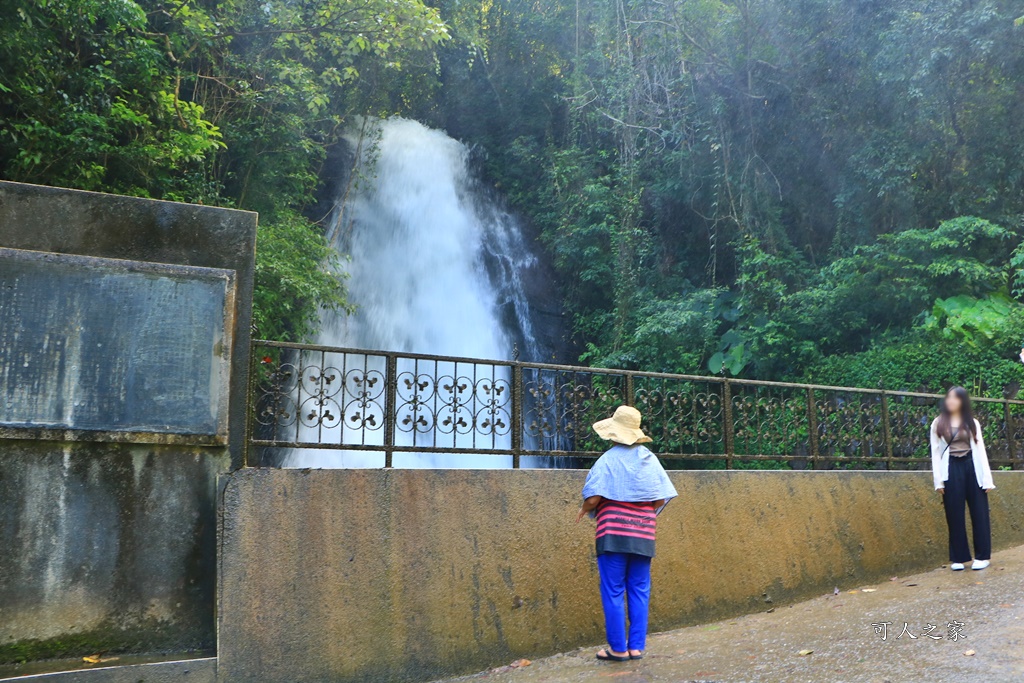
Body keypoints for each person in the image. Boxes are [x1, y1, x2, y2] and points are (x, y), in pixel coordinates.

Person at [576, 405, 678, 662]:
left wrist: (584, 509)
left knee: (613, 590)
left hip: (613, 534)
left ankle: (617, 649)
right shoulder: (650, 459)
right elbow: (659, 500)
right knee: (639, 588)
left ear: (614, 433)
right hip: (644, 533)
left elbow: (594, 497)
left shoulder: (608, 459)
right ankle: (636, 648)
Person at [930, 386, 996, 571]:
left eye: (956, 398)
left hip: (972, 466)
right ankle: (958, 557)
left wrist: (986, 479)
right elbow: (935, 453)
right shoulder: (938, 423)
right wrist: (938, 481)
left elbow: (981, 450)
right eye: (949, 397)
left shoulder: (972, 422)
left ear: (963, 401)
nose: (951, 401)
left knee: (979, 512)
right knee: (954, 513)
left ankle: (982, 556)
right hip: (951, 467)